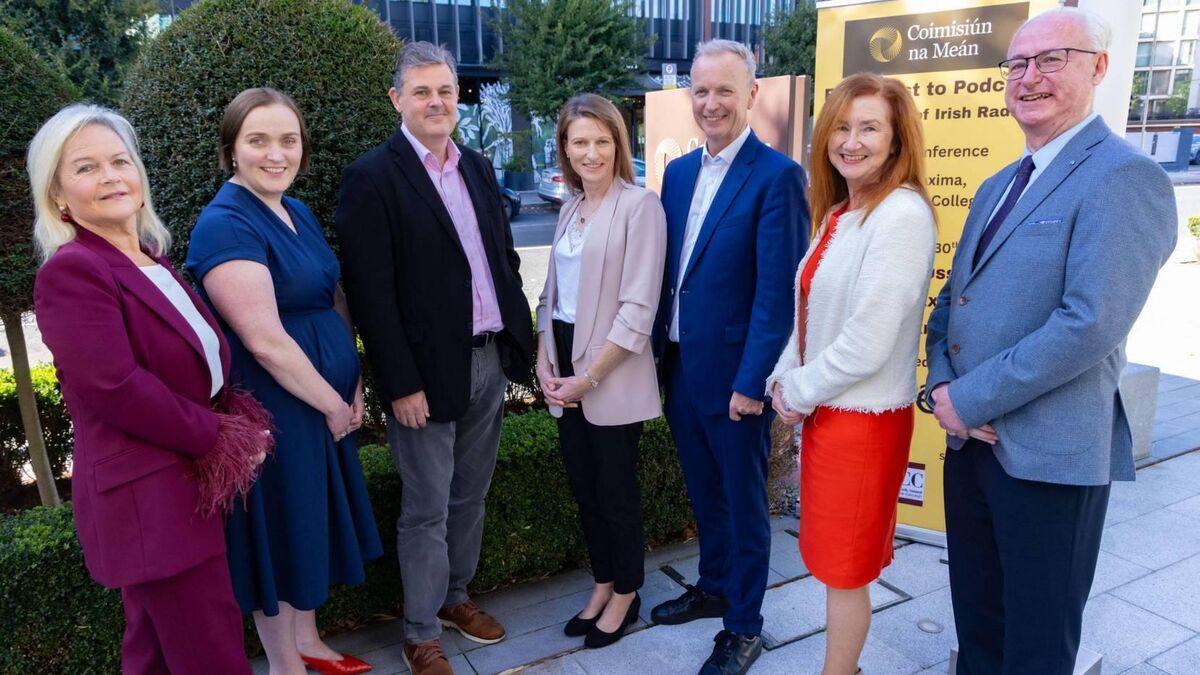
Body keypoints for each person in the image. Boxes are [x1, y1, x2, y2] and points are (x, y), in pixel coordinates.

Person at [925, 8, 1177, 674]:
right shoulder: (997, 184)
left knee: (1036, 644)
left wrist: (969, 399)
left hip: (1049, 459)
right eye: (1017, 64)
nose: (1028, 77)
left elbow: (1088, 323)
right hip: (970, 448)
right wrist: (942, 387)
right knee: (978, 625)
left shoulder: (1124, 177)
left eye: (1051, 59)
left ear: (1098, 67)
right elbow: (954, 301)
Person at [30, 104, 272, 674]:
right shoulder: (72, 270)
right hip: (150, 504)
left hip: (180, 491)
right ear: (58, 195)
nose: (111, 176)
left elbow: (192, 368)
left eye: (120, 161)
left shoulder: (150, 260)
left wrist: (234, 417)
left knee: (155, 654)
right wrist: (220, 436)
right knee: (210, 652)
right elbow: (114, 386)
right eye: (86, 167)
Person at [334, 42, 534, 675]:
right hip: (423, 376)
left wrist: (518, 341)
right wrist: (400, 383)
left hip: (488, 358)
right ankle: (419, 632)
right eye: (421, 91)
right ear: (397, 99)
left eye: (445, 90)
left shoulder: (476, 166)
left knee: (470, 495)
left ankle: (454, 598)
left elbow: (502, 258)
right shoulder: (372, 177)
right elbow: (371, 294)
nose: (436, 101)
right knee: (426, 509)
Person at [186, 87, 382, 675]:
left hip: (320, 400)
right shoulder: (224, 225)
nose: (277, 154)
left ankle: (309, 642)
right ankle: (284, 664)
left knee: (309, 520)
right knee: (281, 527)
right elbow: (265, 341)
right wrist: (331, 403)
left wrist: (351, 381)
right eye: (259, 140)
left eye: (288, 140)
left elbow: (330, 296)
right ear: (231, 149)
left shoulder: (296, 210)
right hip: (279, 407)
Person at [764, 73, 936, 675]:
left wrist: (798, 390)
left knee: (846, 569)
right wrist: (783, 377)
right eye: (842, 126)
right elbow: (810, 313)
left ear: (896, 140)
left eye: (870, 128)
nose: (851, 141)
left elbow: (867, 342)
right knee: (832, 560)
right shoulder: (840, 211)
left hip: (862, 424)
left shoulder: (901, 215)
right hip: (830, 413)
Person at [650, 39, 809, 674]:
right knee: (704, 491)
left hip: (737, 379)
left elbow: (777, 295)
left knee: (743, 505)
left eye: (724, 90)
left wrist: (753, 382)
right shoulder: (678, 174)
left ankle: (744, 625)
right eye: (701, 90)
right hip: (681, 368)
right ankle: (714, 586)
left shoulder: (777, 177)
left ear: (751, 95)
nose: (710, 102)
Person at [534, 94, 667, 649]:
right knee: (585, 489)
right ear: (565, 149)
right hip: (564, 356)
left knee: (615, 490)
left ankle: (627, 592)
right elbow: (551, 295)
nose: (591, 153)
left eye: (602, 141)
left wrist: (588, 377)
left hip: (610, 365)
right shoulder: (569, 209)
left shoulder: (640, 206)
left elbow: (638, 309)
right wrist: (544, 356)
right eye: (579, 142)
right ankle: (603, 582)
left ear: (619, 145)